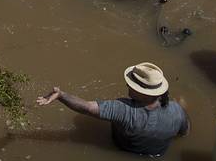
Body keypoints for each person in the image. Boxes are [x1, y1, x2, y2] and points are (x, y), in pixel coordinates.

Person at [36, 62, 190, 157]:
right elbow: (184, 132)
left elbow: (88, 108)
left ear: (142, 92)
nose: (128, 85)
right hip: (157, 154)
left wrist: (61, 95)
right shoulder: (177, 110)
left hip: (122, 149)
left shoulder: (124, 109)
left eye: (131, 84)